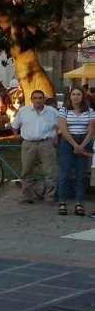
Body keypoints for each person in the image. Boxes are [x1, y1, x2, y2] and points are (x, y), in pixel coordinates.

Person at [11, 90, 58, 204]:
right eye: (35, 98)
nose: (38, 100)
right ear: (31, 100)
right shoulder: (24, 111)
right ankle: (26, 196)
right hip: (28, 144)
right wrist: (16, 135)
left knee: (50, 172)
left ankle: (50, 197)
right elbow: (14, 125)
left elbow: (60, 125)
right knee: (26, 171)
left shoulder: (52, 112)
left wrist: (56, 137)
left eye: (40, 98)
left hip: (46, 143)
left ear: (44, 99)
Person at [56, 86, 93, 216]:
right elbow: (63, 129)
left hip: (84, 141)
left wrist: (81, 146)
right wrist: (75, 145)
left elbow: (91, 130)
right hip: (68, 141)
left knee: (81, 174)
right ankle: (62, 202)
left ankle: (79, 203)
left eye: (78, 94)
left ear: (83, 96)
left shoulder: (90, 111)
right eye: (73, 94)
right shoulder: (64, 110)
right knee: (65, 173)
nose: (76, 97)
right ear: (69, 96)